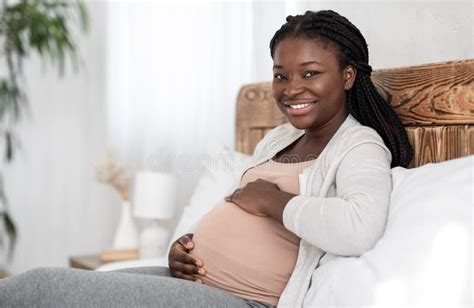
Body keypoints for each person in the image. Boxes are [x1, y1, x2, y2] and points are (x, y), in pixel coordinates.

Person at [0, 10, 412, 307]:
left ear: (347, 76)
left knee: (38, 289)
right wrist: (183, 248)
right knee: (51, 291)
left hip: (245, 300)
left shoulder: (359, 146)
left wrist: (273, 200)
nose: (291, 89)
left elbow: (360, 228)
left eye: (309, 73)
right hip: (197, 285)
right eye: (281, 75)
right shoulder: (278, 139)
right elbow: (237, 212)